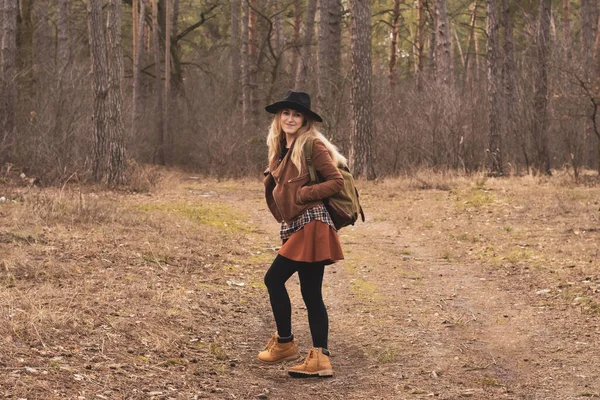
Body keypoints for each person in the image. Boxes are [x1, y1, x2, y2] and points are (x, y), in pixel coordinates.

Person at [258, 90, 347, 378]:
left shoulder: (312, 145)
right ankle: (319, 357)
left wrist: (304, 193)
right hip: (298, 225)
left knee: (273, 279)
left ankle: (286, 343)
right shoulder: (281, 150)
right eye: (286, 113)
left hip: (313, 225)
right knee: (311, 293)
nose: (291, 118)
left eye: (297, 114)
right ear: (279, 117)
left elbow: (335, 181)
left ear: (305, 120)